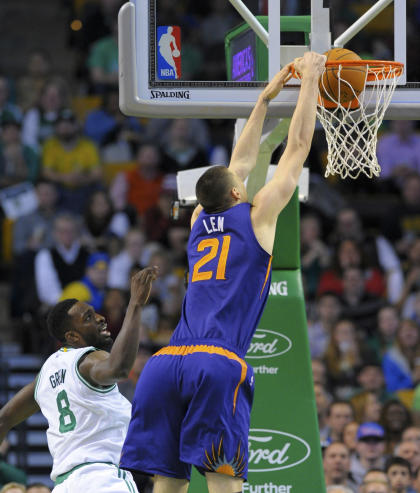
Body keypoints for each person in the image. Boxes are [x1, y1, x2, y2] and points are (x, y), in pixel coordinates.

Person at [120, 52, 327, 492]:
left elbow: (241, 162)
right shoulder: (258, 217)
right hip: (214, 362)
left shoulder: (196, 221)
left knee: (167, 485)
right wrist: (310, 79)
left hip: (164, 365)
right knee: (224, 485)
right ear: (237, 192)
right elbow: (298, 148)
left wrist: (264, 99)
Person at [0, 266, 158, 491]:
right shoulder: (88, 359)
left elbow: (3, 419)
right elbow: (120, 368)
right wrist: (135, 304)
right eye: (89, 318)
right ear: (73, 336)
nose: (101, 318)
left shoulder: (46, 374)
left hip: (65, 485)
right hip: (103, 480)